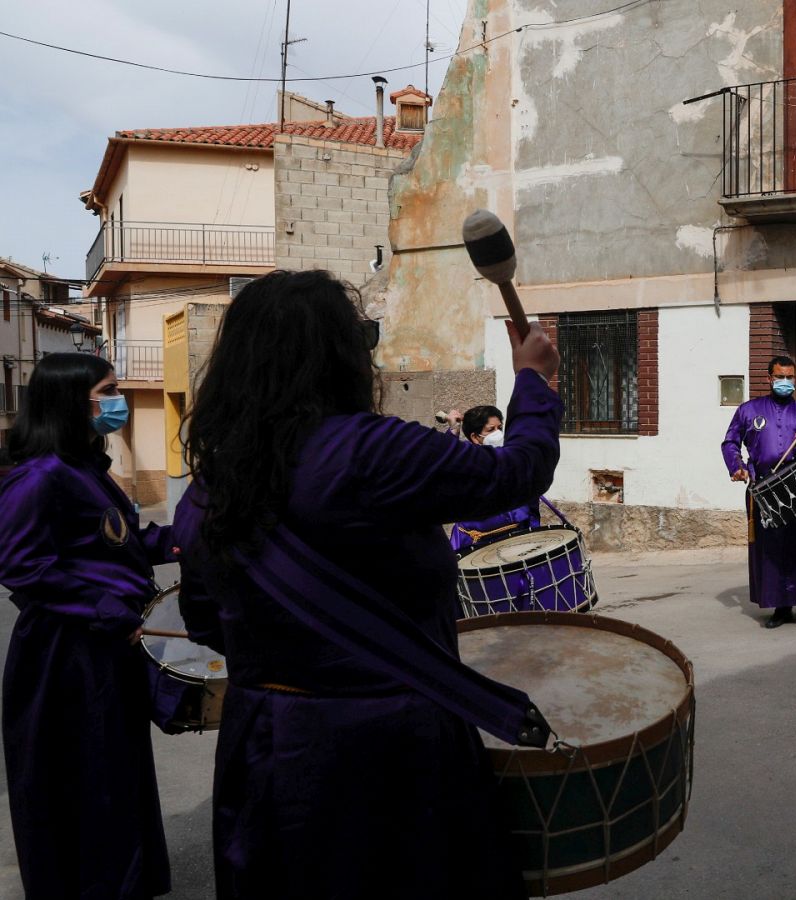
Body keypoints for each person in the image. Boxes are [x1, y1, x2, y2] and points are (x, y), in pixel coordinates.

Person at [170, 270, 561, 898]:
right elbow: (518, 472)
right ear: (340, 357)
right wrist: (535, 383)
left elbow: (205, 621)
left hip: (266, 745)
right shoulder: (371, 451)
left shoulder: (210, 484)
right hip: (389, 748)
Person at [0, 352, 172, 899]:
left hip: (104, 646)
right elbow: (22, 565)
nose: (118, 402)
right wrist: (104, 610)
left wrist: (181, 538)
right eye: (110, 390)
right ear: (74, 402)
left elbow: (117, 543)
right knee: (83, 783)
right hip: (65, 658)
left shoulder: (83, 471)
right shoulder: (39, 477)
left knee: (115, 777)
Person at [721, 356, 796, 629]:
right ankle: (781, 607)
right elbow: (730, 442)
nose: (785, 382)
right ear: (769, 378)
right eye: (780, 377)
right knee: (772, 549)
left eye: (789, 377)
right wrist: (737, 466)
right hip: (764, 491)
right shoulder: (748, 410)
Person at [448, 404, 537, 553]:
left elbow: (531, 498)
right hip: (476, 545)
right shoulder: (465, 461)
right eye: (491, 430)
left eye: (499, 428)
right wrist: (453, 430)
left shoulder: (513, 457)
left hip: (516, 539)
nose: (498, 434)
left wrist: (533, 530)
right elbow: (445, 462)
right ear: (475, 437)